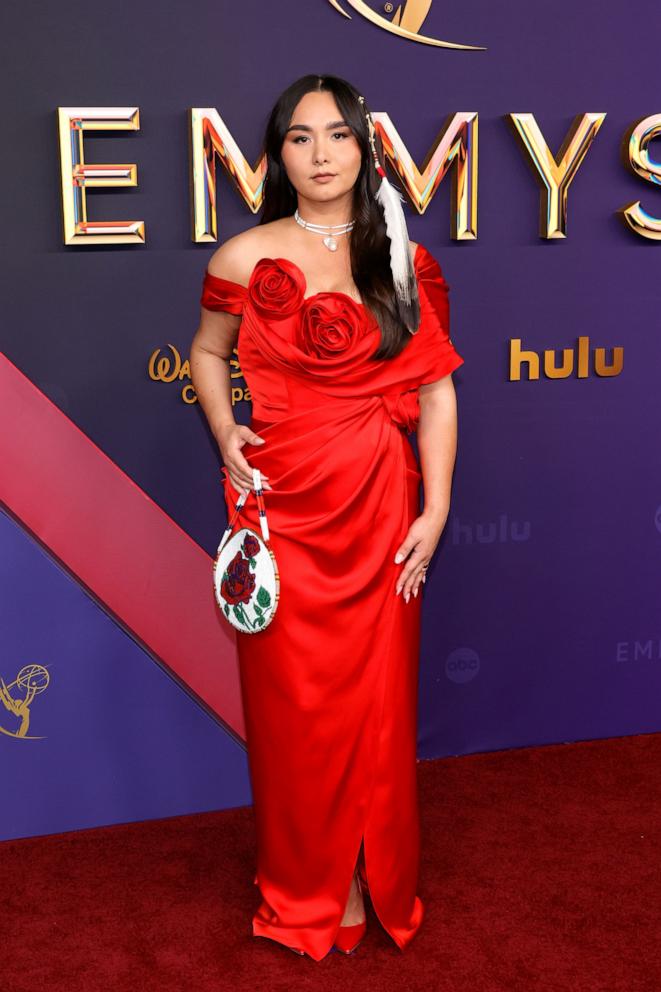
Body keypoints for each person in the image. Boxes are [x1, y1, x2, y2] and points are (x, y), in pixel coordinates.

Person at [190, 74, 464, 962]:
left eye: (337, 136)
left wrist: (436, 507)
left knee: (377, 704)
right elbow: (205, 350)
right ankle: (309, 881)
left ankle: (369, 871)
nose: (320, 155)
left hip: (382, 504)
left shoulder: (404, 259)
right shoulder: (242, 257)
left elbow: (433, 392)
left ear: (364, 148)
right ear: (277, 156)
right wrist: (225, 425)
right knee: (292, 709)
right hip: (280, 508)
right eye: (300, 139)